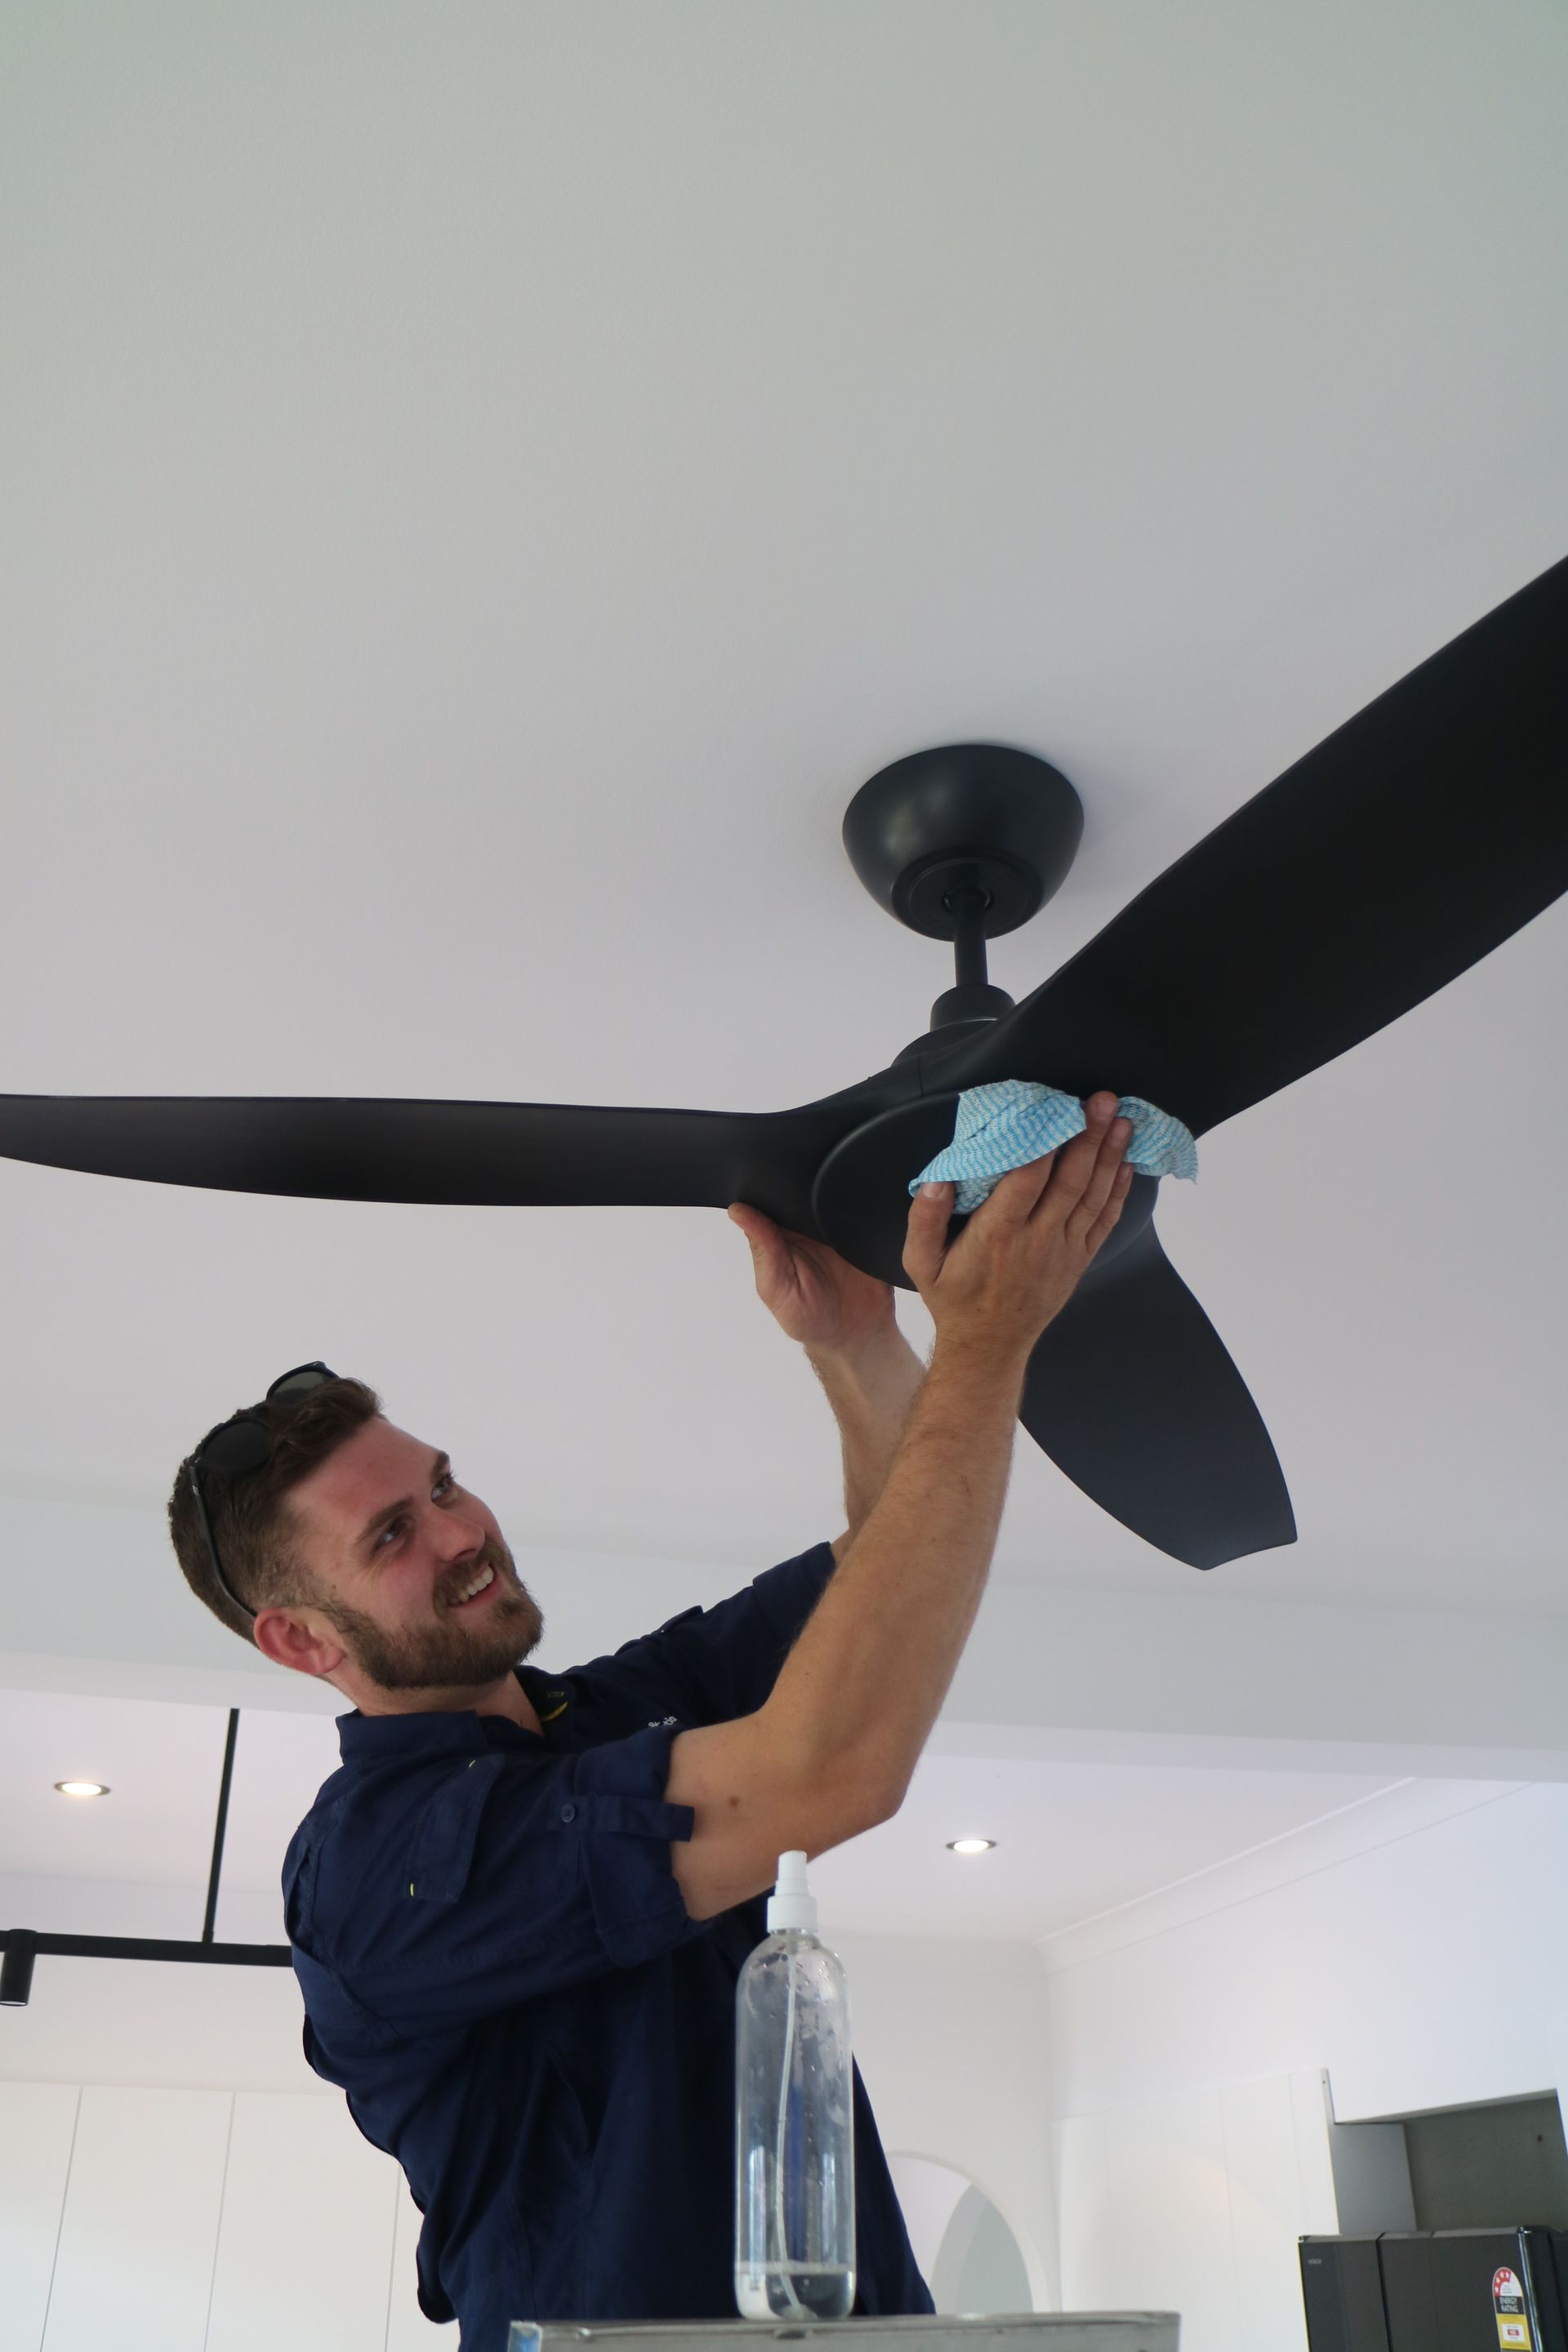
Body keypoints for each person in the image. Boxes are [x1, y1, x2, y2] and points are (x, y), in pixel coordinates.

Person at [167, 1096, 1134, 2349]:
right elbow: (835, 1767)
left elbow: (895, 1575)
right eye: (394, 1535)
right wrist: (986, 1345)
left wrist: (853, 1343)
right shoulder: (376, 1867)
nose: (463, 1531)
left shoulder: (612, 1716)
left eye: (443, 1483)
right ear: (303, 1640)